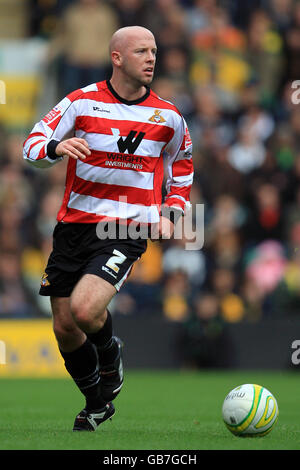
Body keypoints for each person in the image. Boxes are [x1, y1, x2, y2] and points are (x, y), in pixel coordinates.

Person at [23, 26, 194, 432]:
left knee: (85, 309)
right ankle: (97, 403)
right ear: (116, 58)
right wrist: (56, 148)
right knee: (65, 326)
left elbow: (182, 167)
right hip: (73, 227)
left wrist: (173, 209)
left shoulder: (168, 117)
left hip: (127, 228)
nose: (152, 58)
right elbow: (32, 144)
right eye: (141, 51)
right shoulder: (81, 102)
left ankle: (110, 354)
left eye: (154, 50)